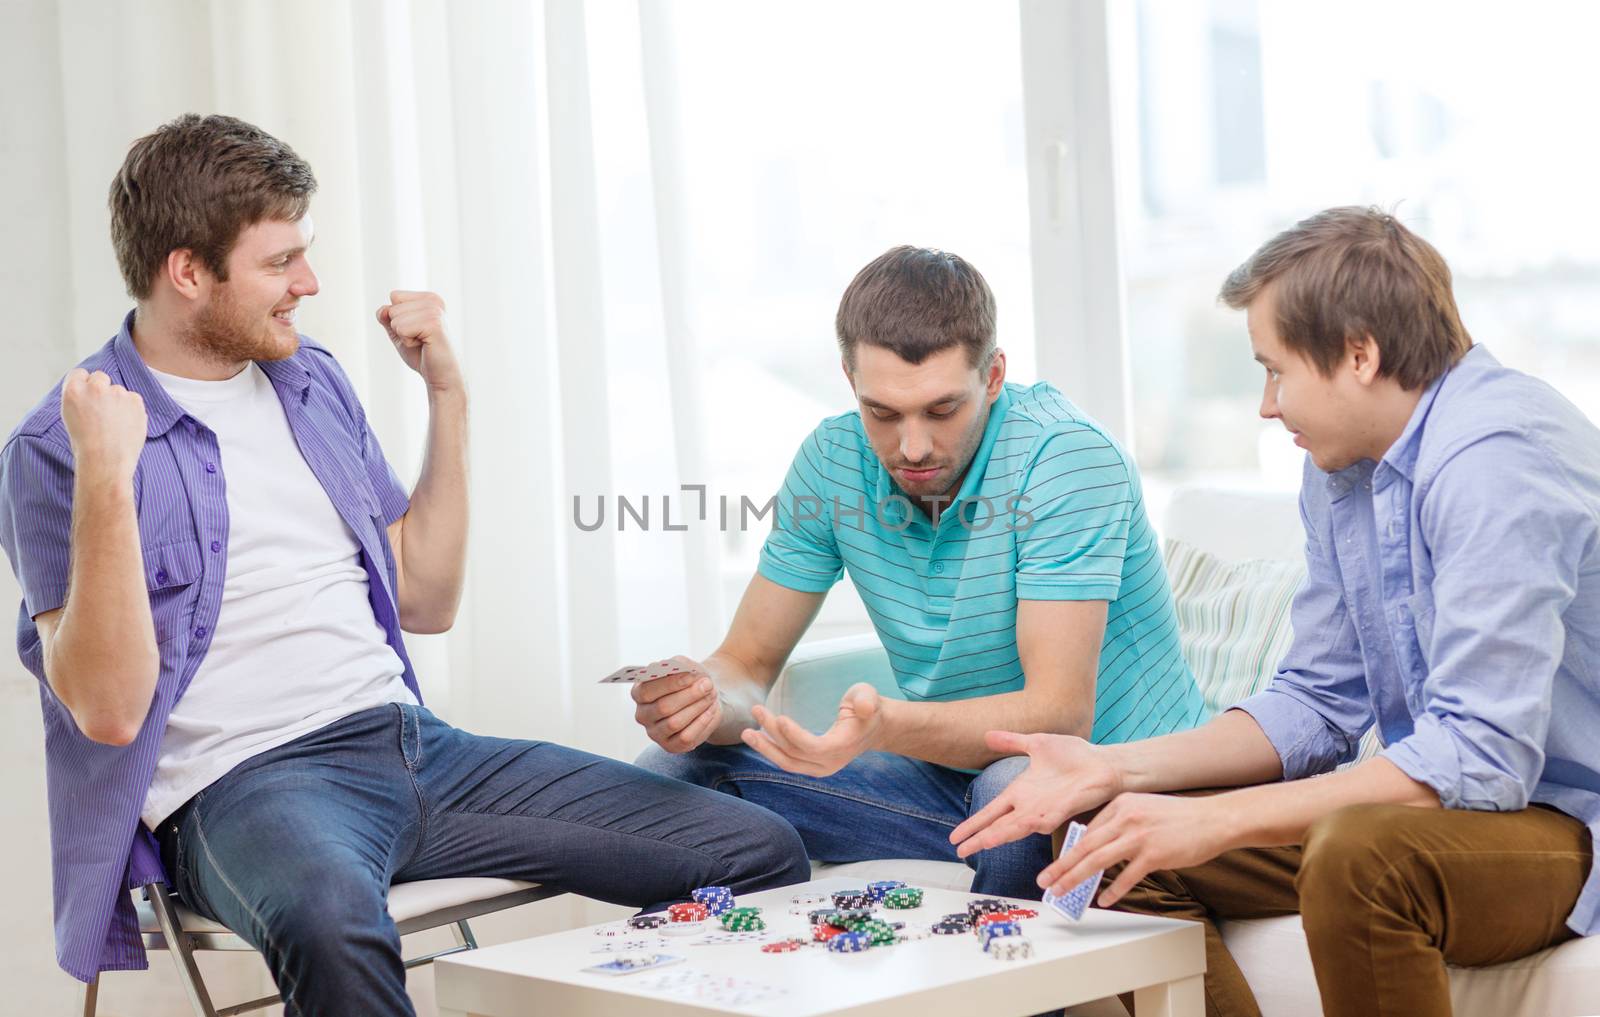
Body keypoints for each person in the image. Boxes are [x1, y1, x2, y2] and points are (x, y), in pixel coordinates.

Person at [0, 114, 809, 1013]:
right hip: (244, 785)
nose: (308, 284)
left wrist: (446, 395)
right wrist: (111, 479)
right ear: (188, 272)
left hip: (415, 747)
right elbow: (107, 712)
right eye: (279, 264)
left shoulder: (310, 380)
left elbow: (423, 599)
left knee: (756, 854)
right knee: (329, 922)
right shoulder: (59, 445)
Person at [950, 207, 1600, 1017]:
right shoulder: (1342, 469)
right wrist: (1117, 770)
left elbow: (1480, 757)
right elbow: (1314, 703)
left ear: (1359, 353)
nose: (1266, 404)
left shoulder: (1498, 460)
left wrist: (1218, 824)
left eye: (1276, 370)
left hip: (1568, 820)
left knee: (1359, 854)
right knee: (1112, 843)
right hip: (1456, 810)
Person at [633, 245, 1209, 901]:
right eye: (882, 413)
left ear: (993, 376)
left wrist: (884, 727)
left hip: (1112, 778)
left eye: (941, 410)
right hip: (951, 779)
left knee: (1016, 792)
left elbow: (1058, 714)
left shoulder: (1065, 458)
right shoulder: (831, 461)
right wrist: (706, 699)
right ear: (849, 379)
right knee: (678, 768)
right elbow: (746, 662)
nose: (911, 447)